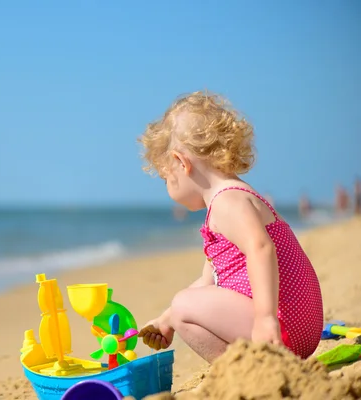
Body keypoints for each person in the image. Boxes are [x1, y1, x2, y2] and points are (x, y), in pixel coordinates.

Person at [136, 91, 323, 362]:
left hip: (280, 326)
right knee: (181, 310)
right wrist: (166, 319)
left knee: (183, 304)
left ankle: (248, 371)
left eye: (166, 177)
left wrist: (265, 318)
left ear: (181, 162)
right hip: (297, 328)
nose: (167, 186)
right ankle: (243, 366)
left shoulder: (227, 202)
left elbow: (261, 249)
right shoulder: (234, 198)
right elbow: (208, 281)